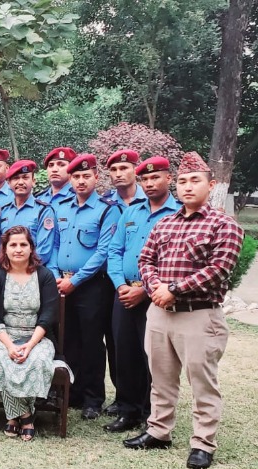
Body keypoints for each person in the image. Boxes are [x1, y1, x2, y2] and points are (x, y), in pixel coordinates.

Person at [124, 152, 243, 469]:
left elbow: (219, 269)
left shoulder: (224, 224)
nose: (188, 187)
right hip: (161, 314)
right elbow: (145, 260)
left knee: (202, 382)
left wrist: (172, 289)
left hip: (199, 315)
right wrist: (155, 287)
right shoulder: (165, 223)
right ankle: (158, 432)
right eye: (183, 182)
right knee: (161, 379)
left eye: (195, 181)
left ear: (211, 185)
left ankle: (203, 443)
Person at [104, 156, 180, 433]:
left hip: (157, 297)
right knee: (125, 354)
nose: (149, 183)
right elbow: (115, 250)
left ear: (168, 178)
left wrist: (145, 292)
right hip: (124, 293)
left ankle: (153, 414)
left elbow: (175, 262)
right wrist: (120, 285)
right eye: (145, 179)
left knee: (154, 358)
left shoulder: (177, 213)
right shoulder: (131, 211)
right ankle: (128, 410)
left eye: (155, 177)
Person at [54, 153, 121, 419]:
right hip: (62, 282)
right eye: (76, 177)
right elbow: (54, 245)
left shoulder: (107, 209)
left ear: (96, 177)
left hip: (91, 285)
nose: (81, 181)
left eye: (86, 176)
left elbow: (103, 251)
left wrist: (75, 280)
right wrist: (56, 276)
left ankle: (93, 398)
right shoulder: (62, 207)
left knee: (92, 342)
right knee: (67, 340)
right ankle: (73, 392)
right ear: (70, 180)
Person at [0, 226, 59, 441]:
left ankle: (12, 417)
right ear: (4, 249)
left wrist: (30, 344)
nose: (18, 249)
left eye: (23, 244)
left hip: (37, 336)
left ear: (31, 248)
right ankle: (25, 416)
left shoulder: (45, 276)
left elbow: (49, 315)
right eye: (12, 245)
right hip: (1, 337)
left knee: (37, 360)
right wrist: (10, 346)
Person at [100, 149, 146, 417]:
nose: (119, 174)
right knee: (117, 340)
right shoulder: (107, 203)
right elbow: (112, 250)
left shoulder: (150, 201)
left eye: (124, 169)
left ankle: (146, 401)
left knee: (145, 345)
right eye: (114, 170)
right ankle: (123, 397)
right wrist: (120, 285)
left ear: (134, 170)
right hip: (112, 283)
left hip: (147, 288)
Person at [0, 159, 57, 272]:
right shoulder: (3, 210)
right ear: (9, 183)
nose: (20, 182)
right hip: (4, 272)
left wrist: (20, 270)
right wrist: (3, 268)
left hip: (32, 273)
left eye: (25, 177)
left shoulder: (43, 211)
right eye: (16, 178)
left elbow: (44, 250)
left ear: (33, 181)